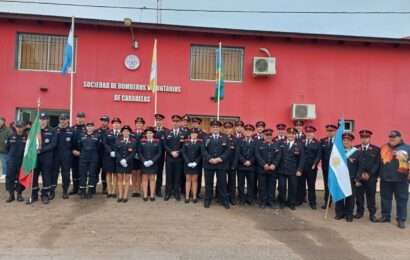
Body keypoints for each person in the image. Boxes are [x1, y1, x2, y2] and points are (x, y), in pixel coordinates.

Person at [378, 130, 410, 229]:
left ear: (400, 137)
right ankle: (385, 216)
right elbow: (379, 162)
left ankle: (401, 219)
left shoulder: (407, 148)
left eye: (394, 137)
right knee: (385, 199)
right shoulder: (384, 147)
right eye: (390, 137)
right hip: (385, 179)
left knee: (401, 200)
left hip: (401, 179)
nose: (392, 139)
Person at [202, 120, 230, 209]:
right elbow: (203, 150)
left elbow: (228, 150)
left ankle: (224, 200)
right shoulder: (206, 137)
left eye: (217, 127)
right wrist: (209, 158)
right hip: (209, 163)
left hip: (221, 164)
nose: (215, 128)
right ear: (211, 128)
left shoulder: (225, 137)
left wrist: (220, 158)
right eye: (213, 127)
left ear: (219, 128)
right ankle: (207, 200)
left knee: (222, 183)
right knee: (208, 183)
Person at [354, 129, 380, 222]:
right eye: (362, 137)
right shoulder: (355, 149)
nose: (364, 139)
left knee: (371, 197)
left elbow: (377, 164)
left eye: (366, 137)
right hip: (359, 177)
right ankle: (359, 212)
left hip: (371, 178)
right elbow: (354, 164)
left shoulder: (376, 149)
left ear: (369, 138)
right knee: (359, 196)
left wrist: (369, 174)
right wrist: (359, 175)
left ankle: (372, 214)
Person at [32, 113, 57, 204]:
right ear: (38, 121)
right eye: (41, 119)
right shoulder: (34, 130)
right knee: (34, 176)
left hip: (47, 158)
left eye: (44, 119)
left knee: (46, 177)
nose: (42, 121)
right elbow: (30, 142)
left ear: (47, 120)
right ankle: (34, 195)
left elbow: (53, 144)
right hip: (35, 158)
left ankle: (45, 195)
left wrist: (41, 150)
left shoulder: (53, 130)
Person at [277, 127, 305, 210]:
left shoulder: (299, 145)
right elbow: (277, 156)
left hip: (293, 170)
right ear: (287, 134)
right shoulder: (281, 143)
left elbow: (302, 158)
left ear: (295, 135)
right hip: (282, 169)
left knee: (292, 187)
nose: (291, 135)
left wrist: (299, 169)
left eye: (292, 134)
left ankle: (291, 203)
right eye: (289, 133)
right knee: (282, 187)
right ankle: (282, 202)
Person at [335, 132, 359, 222]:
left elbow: (360, 166)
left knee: (350, 198)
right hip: (340, 178)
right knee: (340, 196)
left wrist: (357, 178)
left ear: (352, 141)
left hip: (351, 178)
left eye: (348, 140)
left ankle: (349, 214)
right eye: (344, 140)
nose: (346, 142)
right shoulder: (338, 152)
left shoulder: (357, 152)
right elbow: (335, 164)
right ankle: (339, 213)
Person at [255, 128, 282, 208]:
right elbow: (257, 155)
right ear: (264, 135)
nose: (268, 137)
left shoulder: (276, 144)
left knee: (272, 186)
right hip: (262, 169)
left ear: (272, 136)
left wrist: (274, 164)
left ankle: (270, 201)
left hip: (273, 170)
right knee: (262, 186)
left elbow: (278, 156)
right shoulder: (259, 144)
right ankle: (262, 201)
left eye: (270, 135)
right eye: (267, 135)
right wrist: (264, 164)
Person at [296, 125, 321, 209]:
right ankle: (300, 200)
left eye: (311, 132)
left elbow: (318, 155)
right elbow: (298, 153)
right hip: (302, 168)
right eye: (307, 132)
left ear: (313, 133)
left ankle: (312, 202)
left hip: (311, 168)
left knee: (311, 186)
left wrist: (315, 164)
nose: (309, 134)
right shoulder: (301, 141)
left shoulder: (317, 143)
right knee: (301, 185)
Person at [75, 122, 101, 199]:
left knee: (92, 174)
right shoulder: (81, 135)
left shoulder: (97, 136)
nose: (89, 127)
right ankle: (82, 191)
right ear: (86, 127)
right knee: (83, 174)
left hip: (93, 158)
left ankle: (90, 191)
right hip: (83, 158)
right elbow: (79, 146)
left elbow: (99, 147)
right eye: (88, 126)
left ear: (93, 127)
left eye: (91, 126)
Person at [164, 115, 186, 201]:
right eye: (174, 121)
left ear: (180, 122)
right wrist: (170, 152)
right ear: (172, 122)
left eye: (177, 121)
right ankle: (168, 192)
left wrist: (179, 152)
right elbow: (165, 144)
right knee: (169, 176)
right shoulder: (167, 132)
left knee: (177, 176)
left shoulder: (183, 134)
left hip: (179, 158)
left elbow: (185, 146)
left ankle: (177, 192)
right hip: (169, 158)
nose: (175, 123)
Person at [52, 113, 74, 199]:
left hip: (67, 156)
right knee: (54, 174)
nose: (63, 121)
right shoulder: (54, 130)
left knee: (66, 175)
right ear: (59, 120)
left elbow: (74, 144)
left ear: (68, 120)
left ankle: (65, 191)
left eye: (64, 119)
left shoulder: (71, 131)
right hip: (56, 156)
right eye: (61, 119)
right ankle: (52, 191)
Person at [139, 127, 163, 201]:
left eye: (151, 133)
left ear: (153, 134)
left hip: (153, 163)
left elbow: (159, 152)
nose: (149, 134)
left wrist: (153, 161)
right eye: (148, 133)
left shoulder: (157, 141)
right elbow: (140, 152)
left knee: (152, 179)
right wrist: (144, 161)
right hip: (144, 164)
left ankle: (152, 195)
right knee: (145, 179)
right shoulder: (142, 141)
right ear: (146, 134)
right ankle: (145, 195)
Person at [5, 121, 26, 203]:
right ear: (15, 127)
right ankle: (11, 195)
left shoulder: (26, 136)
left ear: (23, 127)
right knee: (10, 177)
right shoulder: (11, 136)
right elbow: (7, 148)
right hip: (12, 160)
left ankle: (19, 194)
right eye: (18, 127)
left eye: (21, 127)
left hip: (22, 160)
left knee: (20, 177)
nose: (19, 129)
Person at [236, 124, 257, 205]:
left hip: (251, 166)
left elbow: (256, 154)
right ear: (244, 131)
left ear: (252, 132)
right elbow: (238, 153)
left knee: (251, 183)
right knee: (241, 183)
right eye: (246, 130)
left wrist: (250, 161)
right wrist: (244, 161)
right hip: (241, 166)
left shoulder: (256, 142)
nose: (248, 132)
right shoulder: (239, 141)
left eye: (250, 130)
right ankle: (242, 198)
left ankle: (249, 198)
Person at [115, 125, 136, 203]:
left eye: (127, 131)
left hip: (128, 163)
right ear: (122, 132)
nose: (126, 133)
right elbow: (116, 151)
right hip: (119, 163)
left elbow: (133, 152)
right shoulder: (118, 140)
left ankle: (125, 195)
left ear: (129, 132)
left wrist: (126, 160)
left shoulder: (133, 141)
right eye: (124, 131)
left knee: (127, 179)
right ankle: (120, 195)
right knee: (120, 179)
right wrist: (121, 160)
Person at [182, 128, 203, 203]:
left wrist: (196, 162)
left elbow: (201, 154)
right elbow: (183, 152)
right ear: (190, 135)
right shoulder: (186, 142)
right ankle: (187, 196)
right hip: (187, 164)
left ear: (197, 135)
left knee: (195, 180)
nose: (193, 135)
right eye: (192, 134)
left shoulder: (200, 143)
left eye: (195, 134)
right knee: (187, 180)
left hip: (196, 165)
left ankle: (194, 196)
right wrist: (188, 162)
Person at [102, 117, 122, 198]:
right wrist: (110, 151)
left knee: (116, 174)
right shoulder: (107, 132)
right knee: (109, 173)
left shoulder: (122, 133)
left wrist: (117, 153)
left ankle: (114, 191)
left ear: (120, 124)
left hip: (118, 157)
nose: (116, 125)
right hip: (108, 156)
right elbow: (105, 143)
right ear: (112, 124)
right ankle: (109, 191)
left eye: (117, 123)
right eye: (114, 123)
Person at [319, 124, 337, 209]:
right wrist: (315, 163)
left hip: (336, 168)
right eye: (328, 131)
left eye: (332, 131)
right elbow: (320, 154)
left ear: (335, 131)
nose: (330, 133)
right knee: (327, 184)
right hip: (326, 167)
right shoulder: (323, 141)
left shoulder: (339, 141)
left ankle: (337, 202)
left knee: (336, 184)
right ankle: (327, 202)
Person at [70, 112, 86, 195]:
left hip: (83, 155)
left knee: (82, 172)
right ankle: (75, 188)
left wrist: (82, 152)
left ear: (84, 119)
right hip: (74, 154)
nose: (80, 119)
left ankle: (81, 188)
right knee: (74, 172)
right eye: (79, 117)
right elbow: (69, 142)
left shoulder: (87, 129)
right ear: (76, 118)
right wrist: (73, 150)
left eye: (82, 117)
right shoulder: (72, 129)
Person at [96, 115, 111, 194]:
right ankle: (93, 187)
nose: (103, 122)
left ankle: (104, 188)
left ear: (108, 122)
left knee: (105, 172)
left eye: (105, 121)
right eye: (102, 121)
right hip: (97, 155)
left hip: (106, 156)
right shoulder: (96, 131)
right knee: (95, 171)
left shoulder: (110, 131)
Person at [224, 121, 238, 205]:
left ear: (232, 129)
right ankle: (221, 196)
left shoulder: (235, 139)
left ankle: (232, 198)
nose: (227, 130)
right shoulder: (221, 137)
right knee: (221, 181)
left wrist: (234, 164)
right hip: (222, 164)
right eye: (226, 128)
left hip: (232, 164)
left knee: (232, 182)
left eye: (229, 128)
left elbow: (237, 153)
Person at [154, 113, 167, 197]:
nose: (158, 121)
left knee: (159, 173)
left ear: (162, 121)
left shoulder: (166, 131)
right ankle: (149, 189)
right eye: (157, 120)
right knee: (150, 173)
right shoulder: (152, 130)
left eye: (160, 120)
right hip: (151, 156)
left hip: (161, 156)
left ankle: (158, 190)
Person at [131, 117, 145, 198]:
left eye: (140, 123)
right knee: (133, 173)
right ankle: (134, 189)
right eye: (137, 123)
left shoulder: (145, 134)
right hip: (133, 156)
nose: (139, 125)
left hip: (142, 157)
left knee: (139, 173)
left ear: (143, 125)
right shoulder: (131, 134)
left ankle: (138, 190)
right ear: (135, 124)